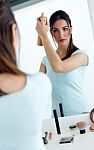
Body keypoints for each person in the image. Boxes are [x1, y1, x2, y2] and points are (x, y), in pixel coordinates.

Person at [0, 1, 52, 149]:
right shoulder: (38, 85)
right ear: (13, 31)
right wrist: (43, 34)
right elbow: (57, 66)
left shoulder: (81, 55)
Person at [36, 10, 90, 116]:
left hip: (81, 114)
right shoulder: (45, 61)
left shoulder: (81, 55)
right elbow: (39, 89)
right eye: (55, 30)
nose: (61, 34)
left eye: (64, 29)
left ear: (71, 29)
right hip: (57, 119)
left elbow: (59, 67)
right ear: (51, 32)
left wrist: (44, 35)